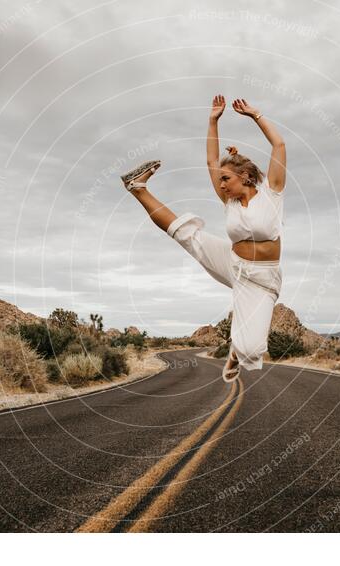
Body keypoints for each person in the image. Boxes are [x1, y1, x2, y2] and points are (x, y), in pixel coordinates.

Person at [120, 95, 286, 383]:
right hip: (233, 262)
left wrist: (255, 115)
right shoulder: (230, 202)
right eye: (220, 180)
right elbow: (211, 160)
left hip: (262, 279)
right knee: (187, 234)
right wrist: (213, 121)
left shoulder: (273, 193)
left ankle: (236, 350)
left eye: (226, 179)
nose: (221, 185)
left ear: (245, 176)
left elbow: (279, 145)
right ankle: (138, 188)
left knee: (252, 348)